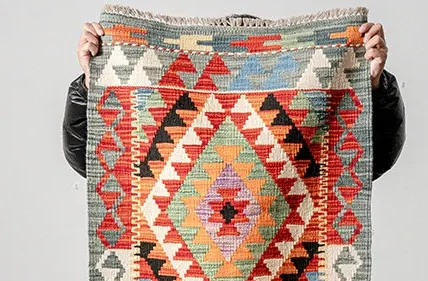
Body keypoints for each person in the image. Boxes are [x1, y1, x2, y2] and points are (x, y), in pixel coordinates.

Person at [63, 16, 405, 180]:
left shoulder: (297, 119)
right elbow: (90, 159)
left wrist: (373, 84)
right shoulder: (166, 115)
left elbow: (373, 158)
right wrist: (95, 82)